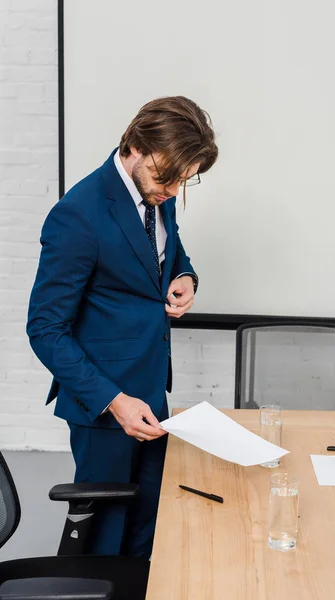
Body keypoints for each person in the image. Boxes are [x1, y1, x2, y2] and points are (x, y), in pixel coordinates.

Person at [27, 96, 218, 559]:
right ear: (134, 145)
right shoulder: (79, 214)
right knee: (103, 538)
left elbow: (169, 252)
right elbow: (45, 327)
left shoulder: (159, 195)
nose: (172, 190)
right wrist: (114, 401)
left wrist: (185, 277)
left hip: (152, 391)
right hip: (104, 404)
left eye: (183, 181)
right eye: (166, 177)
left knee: (147, 525)